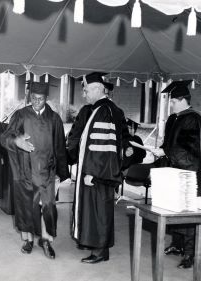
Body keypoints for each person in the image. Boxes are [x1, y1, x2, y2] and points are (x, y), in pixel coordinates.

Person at [0, 81, 69, 260]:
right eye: (33, 98)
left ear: (46, 98)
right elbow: (4, 137)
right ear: (29, 97)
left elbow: (60, 146)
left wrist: (62, 173)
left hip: (47, 172)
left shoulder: (54, 118)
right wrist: (17, 141)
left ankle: (46, 241)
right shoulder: (21, 115)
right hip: (25, 171)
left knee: (48, 207)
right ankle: (28, 240)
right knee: (26, 207)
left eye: (40, 98)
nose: (37, 101)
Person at [71, 72, 130, 264]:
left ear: (97, 89)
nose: (84, 94)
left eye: (86, 90)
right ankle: (96, 246)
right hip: (98, 172)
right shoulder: (103, 109)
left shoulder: (104, 111)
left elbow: (102, 147)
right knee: (96, 210)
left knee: (99, 211)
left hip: (98, 173)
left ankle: (100, 251)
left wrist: (93, 174)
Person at [151, 80, 201, 269]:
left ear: (182, 100)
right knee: (173, 208)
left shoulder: (193, 119)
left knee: (188, 212)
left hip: (188, 173)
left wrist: (166, 152)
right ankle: (177, 244)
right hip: (174, 170)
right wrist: (161, 151)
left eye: (173, 101)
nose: (171, 105)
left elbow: (190, 149)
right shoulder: (175, 118)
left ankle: (190, 255)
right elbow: (171, 145)